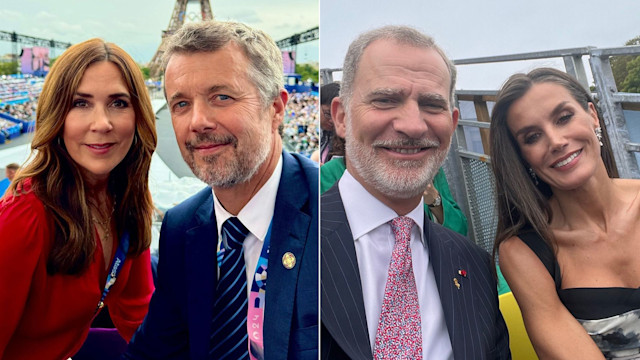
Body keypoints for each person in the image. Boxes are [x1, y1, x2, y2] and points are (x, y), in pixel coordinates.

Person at [125, 20, 318, 360]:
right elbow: (154, 351)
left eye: (222, 97)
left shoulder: (336, 213)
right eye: (181, 104)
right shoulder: (180, 228)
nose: (198, 121)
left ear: (275, 108)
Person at [321, 25, 510, 359]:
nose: (412, 125)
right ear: (341, 117)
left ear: (452, 126)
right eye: (384, 100)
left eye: (432, 105)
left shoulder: (475, 266)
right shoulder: (283, 238)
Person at [0, 38, 157, 359]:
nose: (102, 123)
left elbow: (139, 316)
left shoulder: (126, 200)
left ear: (139, 115)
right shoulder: (24, 216)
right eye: (80, 103)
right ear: (57, 116)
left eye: (119, 103)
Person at [491, 67, 640, 359]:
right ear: (523, 158)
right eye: (532, 137)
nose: (556, 141)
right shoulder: (526, 252)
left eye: (564, 118)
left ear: (593, 115)